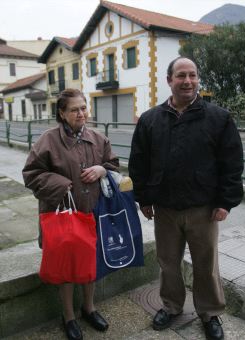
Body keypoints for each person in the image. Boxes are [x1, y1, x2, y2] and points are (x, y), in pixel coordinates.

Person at [128, 57, 243, 340]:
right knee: (168, 263)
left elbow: (232, 163)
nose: (188, 81)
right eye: (181, 75)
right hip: (165, 208)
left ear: (197, 79)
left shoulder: (218, 118)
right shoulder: (150, 119)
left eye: (192, 75)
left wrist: (225, 201)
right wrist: (143, 199)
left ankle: (210, 313)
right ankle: (171, 306)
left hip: (203, 208)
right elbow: (138, 163)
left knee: (206, 265)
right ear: (169, 80)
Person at [23, 88, 119, 340]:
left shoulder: (98, 138)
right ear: (62, 113)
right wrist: (61, 184)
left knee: (90, 263)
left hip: (92, 213)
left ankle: (89, 308)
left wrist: (101, 169)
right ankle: (68, 316)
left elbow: (112, 164)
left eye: (84, 107)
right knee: (66, 268)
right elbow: (31, 174)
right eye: (74, 109)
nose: (81, 113)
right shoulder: (47, 140)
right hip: (61, 215)